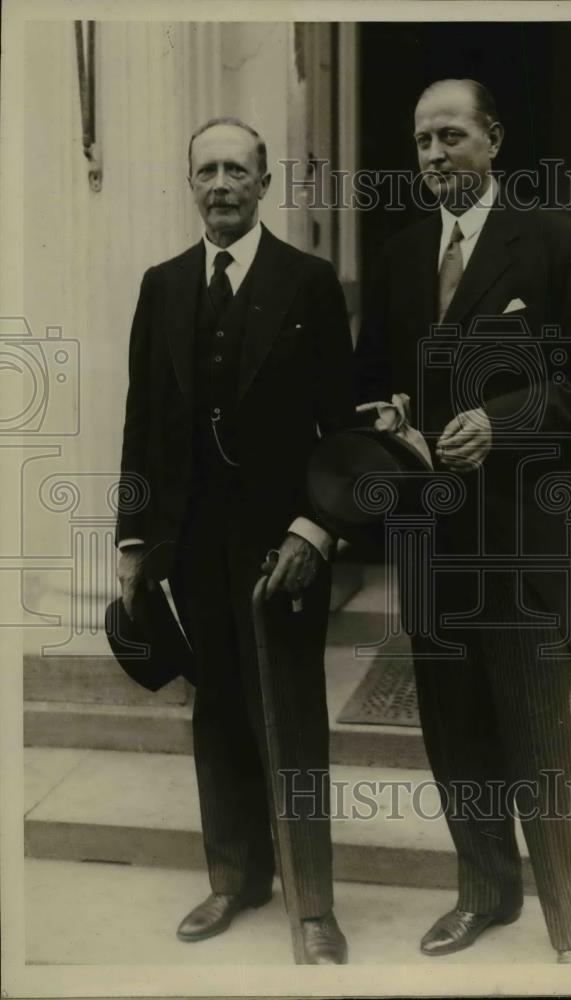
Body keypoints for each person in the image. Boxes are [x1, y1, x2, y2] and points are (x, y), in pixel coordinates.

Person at [355, 79, 571, 964]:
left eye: (450, 137)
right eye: (421, 141)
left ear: (493, 141)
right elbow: (369, 388)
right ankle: (484, 892)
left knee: (539, 737)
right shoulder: (398, 258)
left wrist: (502, 422)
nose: (433, 156)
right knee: (455, 731)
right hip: (431, 544)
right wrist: (387, 420)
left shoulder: (550, 244)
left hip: (519, 541)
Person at [115, 117, 354, 964]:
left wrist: (315, 528)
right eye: (206, 170)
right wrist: (134, 541)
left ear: (262, 183)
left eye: (236, 170)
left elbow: (344, 429)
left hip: (281, 543)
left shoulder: (309, 281)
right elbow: (142, 422)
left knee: (287, 713)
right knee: (216, 710)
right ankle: (233, 877)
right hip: (191, 542)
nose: (220, 184)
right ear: (192, 183)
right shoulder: (163, 284)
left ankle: (314, 903)